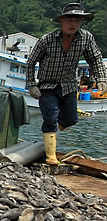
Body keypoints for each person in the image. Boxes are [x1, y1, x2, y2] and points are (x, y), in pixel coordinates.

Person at [26, 2, 107, 165]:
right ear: (62, 21)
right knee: (50, 118)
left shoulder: (86, 38)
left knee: (71, 119)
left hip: (69, 85)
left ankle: (53, 133)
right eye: (69, 20)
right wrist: (31, 84)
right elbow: (31, 61)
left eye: (77, 20)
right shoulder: (47, 40)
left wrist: (101, 79)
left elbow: (95, 59)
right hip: (47, 86)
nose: (73, 24)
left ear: (81, 22)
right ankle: (51, 155)